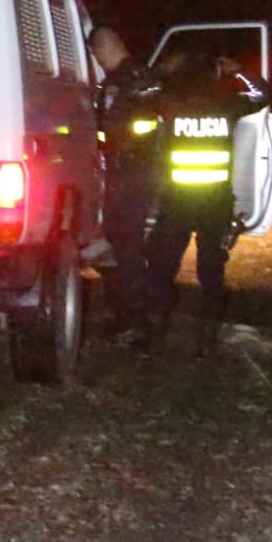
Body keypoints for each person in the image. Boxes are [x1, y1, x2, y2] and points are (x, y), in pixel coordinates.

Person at [140, 51, 271, 357]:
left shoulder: (170, 104)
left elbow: (139, 93)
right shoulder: (227, 105)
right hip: (215, 203)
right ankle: (207, 340)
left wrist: (161, 69)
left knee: (161, 269)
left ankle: (155, 337)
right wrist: (239, 70)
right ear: (215, 75)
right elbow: (262, 94)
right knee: (212, 273)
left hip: (178, 204)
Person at [89, 25, 164, 345]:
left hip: (131, 177)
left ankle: (139, 323)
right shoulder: (142, 78)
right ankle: (133, 317)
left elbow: (118, 131)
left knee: (126, 248)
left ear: (102, 50)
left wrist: (103, 142)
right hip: (137, 174)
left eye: (96, 54)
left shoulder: (124, 83)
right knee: (123, 246)